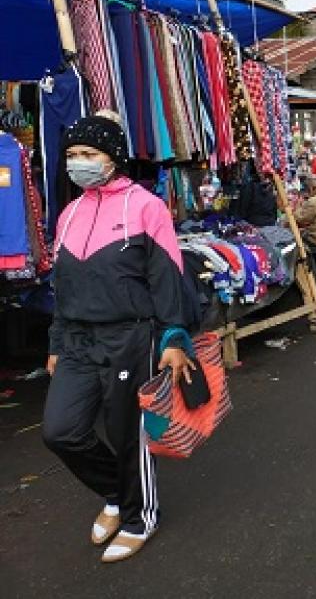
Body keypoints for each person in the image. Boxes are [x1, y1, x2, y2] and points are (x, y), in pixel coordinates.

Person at [42, 115, 195, 563]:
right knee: (61, 431)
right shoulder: (69, 214)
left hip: (131, 336)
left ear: (113, 158)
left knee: (127, 432)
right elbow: (62, 287)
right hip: (76, 341)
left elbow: (168, 278)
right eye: (72, 156)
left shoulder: (145, 206)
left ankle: (138, 516)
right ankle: (116, 491)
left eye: (89, 154)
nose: (79, 163)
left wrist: (174, 337)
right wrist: (55, 343)